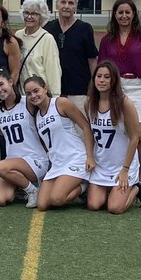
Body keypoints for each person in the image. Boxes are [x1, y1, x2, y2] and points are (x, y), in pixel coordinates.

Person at [96, 0, 141, 208]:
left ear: (133, 15)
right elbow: (102, 66)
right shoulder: (107, 39)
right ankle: (116, 173)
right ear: (115, 15)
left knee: (139, 135)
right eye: (120, 12)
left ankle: (140, 179)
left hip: (138, 87)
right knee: (120, 133)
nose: (124, 16)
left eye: (127, 12)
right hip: (115, 88)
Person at [28, 75, 96, 211]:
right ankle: (74, 185)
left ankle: (84, 186)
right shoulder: (37, 116)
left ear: (45, 88)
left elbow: (86, 126)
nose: (33, 96)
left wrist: (89, 156)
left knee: (56, 199)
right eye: (29, 94)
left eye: (36, 91)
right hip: (58, 164)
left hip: (75, 159)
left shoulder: (60, 103)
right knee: (42, 205)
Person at [85, 62, 141, 214]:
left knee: (115, 208)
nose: (101, 80)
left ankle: (137, 188)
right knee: (94, 205)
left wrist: (125, 170)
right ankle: (112, 190)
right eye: (98, 76)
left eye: (106, 77)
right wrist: (90, 157)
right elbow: (90, 132)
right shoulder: (89, 102)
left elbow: (135, 138)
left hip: (121, 164)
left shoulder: (124, 103)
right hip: (102, 163)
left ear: (114, 80)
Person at [0, 70, 49, 208]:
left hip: (34, 159)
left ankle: (32, 190)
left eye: (1, 84)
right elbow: (4, 131)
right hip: (12, 162)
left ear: (10, 82)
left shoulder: (27, 101)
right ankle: (23, 186)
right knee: (0, 199)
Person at [43, 0, 98, 111]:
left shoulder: (85, 29)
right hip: (54, 90)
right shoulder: (48, 28)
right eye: (63, 2)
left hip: (79, 91)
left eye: (71, 3)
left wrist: (92, 85)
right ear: (56, 4)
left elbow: (92, 59)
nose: (66, 6)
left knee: (80, 128)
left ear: (75, 7)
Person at [16, 0, 62, 96]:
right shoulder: (18, 36)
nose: (29, 17)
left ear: (41, 17)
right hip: (22, 95)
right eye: (26, 13)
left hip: (39, 96)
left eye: (34, 14)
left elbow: (53, 70)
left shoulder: (47, 39)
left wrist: (55, 96)